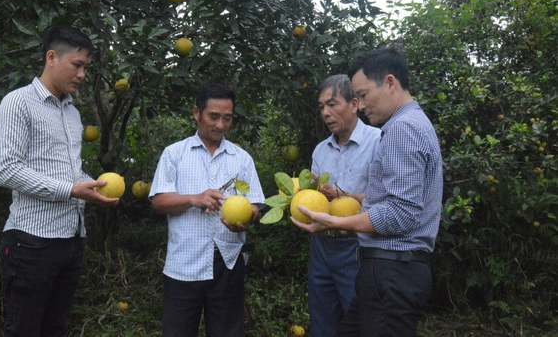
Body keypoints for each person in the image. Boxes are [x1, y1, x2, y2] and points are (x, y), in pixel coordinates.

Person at [291, 47, 443, 337]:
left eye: (362, 95)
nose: (360, 105)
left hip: (393, 270)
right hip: (385, 269)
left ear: (389, 83)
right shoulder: (410, 123)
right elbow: (390, 199)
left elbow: (400, 213)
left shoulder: (402, 129)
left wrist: (337, 222)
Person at [0, 26, 119, 337]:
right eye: (77, 65)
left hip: (71, 239)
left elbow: (71, 173)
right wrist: (70, 190)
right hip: (31, 240)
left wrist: (93, 186)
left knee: (55, 329)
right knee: (23, 330)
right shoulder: (17, 102)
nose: (82, 75)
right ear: (52, 57)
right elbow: (6, 169)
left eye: (85, 68)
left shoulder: (72, 113)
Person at [149, 82, 265, 337]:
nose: (221, 125)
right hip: (184, 264)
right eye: (214, 116)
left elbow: (256, 204)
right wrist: (194, 199)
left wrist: (249, 217)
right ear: (196, 113)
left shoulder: (241, 158)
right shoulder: (175, 154)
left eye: (227, 118)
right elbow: (158, 202)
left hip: (228, 263)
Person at [308, 75, 381, 337]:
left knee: (358, 320)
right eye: (321, 107)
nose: (325, 113)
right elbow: (313, 200)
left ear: (353, 104)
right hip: (322, 247)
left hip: (358, 246)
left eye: (332, 104)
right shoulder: (320, 151)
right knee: (322, 319)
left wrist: (341, 195)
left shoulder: (378, 141)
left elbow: (383, 198)